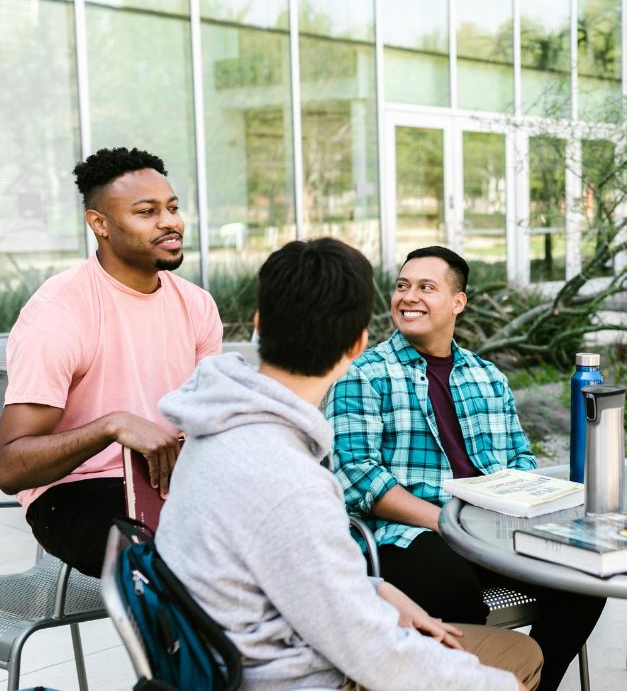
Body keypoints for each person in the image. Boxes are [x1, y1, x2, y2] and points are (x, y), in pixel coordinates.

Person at [156, 238, 540, 691]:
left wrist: (377, 591)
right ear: (359, 344)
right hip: (291, 676)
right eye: (403, 286)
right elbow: (372, 651)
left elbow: (308, 580)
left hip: (229, 651)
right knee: (519, 657)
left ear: (258, 325)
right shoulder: (291, 479)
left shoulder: (214, 428)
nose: (410, 296)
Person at [329, 246, 605, 691]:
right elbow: (358, 477)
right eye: (402, 286)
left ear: (458, 302)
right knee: (454, 593)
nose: (408, 296)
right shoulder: (364, 375)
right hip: (407, 534)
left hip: (492, 528)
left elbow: (521, 461)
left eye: (426, 287)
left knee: (584, 577)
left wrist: (516, 502)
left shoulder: (487, 376)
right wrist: (444, 521)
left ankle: (533, 684)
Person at [0, 147, 221, 576]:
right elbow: (9, 468)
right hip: (77, 493)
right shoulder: (60, 312)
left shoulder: (197, 305)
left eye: (172, 208)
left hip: (177, 483)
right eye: (146, 212)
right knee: (182, 559)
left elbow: (208, 417)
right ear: (100, 224)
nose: (170, 222)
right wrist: (109, 427)